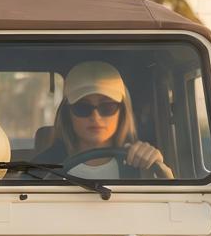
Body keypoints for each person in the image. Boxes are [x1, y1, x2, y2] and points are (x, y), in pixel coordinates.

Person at [36, 60, 173, 179]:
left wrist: (159, 170)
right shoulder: (43, 168)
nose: (95, 117)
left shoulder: (140, 164)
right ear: (67, 114)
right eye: (83, 108)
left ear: (122, 112)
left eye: (107, 107)